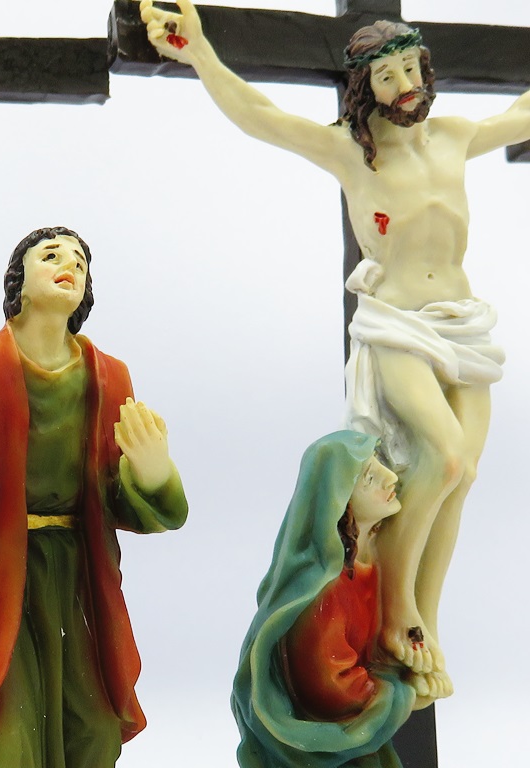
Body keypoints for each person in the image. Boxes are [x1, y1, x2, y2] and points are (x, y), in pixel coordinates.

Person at [140, 0, 522, 691]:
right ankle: (397, 610)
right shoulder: (351, 150)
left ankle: (424, 627)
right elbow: (261, 116)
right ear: (364, 87)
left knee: (462, 477)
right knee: (442, 455)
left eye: (410, 69)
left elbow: (521, 114)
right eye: (387, 76)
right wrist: (198, 51)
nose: (404, 85)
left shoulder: (454, 135)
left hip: (463, 323)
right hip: (398, 325)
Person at [0, 227, 188, 767]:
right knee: (4, 733)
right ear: (18, 280)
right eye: (51, 255)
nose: (70, 265)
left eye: (81, 262)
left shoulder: (109, 377)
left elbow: (117, 499)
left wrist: (153, 471)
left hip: (80, 578)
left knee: (93, 730)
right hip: (0, 576)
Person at [232, 431, 418, 768]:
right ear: (340, 502)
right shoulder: (325, 593)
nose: (390, 477)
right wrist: (398, 691)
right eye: (370, 478)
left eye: (380, 465)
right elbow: (330, 686)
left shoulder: (372, 565)